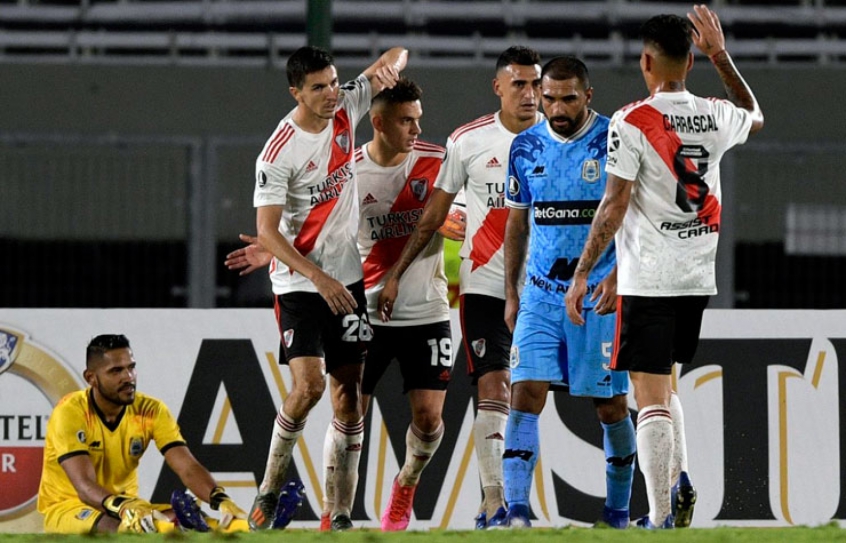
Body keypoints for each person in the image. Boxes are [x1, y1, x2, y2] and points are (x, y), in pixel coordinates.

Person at [227, 79, 457, 532]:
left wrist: (454, 222)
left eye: (418, 119)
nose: (416, 128)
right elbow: (317, 225)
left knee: (429, 422)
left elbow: (460, 218)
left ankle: (406, 482)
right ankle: (338, 515)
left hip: (426, 309)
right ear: (378, 122)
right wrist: (270, 248)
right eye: (406, 120)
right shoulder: (347, 168)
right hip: (363, 304)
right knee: (346, 403)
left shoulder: (438, 162)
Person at [565, 5, 764, 529]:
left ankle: (658, 519)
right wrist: (723, 56)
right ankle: (679, 478)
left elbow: (614, 205)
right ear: (692, 61)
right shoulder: (717, 114)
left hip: (649, 277)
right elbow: (756, 114)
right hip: (697, 276)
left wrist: (585, 271)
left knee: (647, 394)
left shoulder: (631, 121)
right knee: (666, 383)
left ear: (645, 61)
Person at [376, 45, 543, 529]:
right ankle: (496, 504)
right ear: (499, 88)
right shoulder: (468, 141)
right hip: (485, 286)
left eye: (535, 84)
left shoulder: (560, 139)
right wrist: (396, 273)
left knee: (548, 397)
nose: (530, 94)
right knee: (496, 386)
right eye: (520, 84)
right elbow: (434, 214)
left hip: (545, 290)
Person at [249, 44, 407, 532]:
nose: (330, 94)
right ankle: (269, 491)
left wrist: (389, 65)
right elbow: (269, 232)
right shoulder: (279, 150)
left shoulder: (347, 105)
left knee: (349, 397)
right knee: (310, 387)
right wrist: (318, 277)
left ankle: (338, 514)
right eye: (317, 87)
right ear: (295, 91)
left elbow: (397, 55)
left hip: (349, 282)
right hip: (299, 285)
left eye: (334, 82)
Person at [502, 56, 635, 529]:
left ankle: (616, 515)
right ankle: (516, 511)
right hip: (540, 293)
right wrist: (511, 293)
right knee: (524, 392)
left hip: (598, 295)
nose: (556, 107)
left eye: (568, 98)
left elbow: (633, 216)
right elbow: (516, 224)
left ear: (588, 96)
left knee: (610, 406)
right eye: (549, 97)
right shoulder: (524, 146)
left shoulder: (613, 142)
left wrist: (619, 276)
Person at [37, 334, 248, 534]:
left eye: (131, 367)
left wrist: (220, 499)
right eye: (116, 371)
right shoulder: (70, 412)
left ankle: (244, 526)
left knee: (194, 520)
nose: (128, 377)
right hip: (69, 507)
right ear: (91, 378)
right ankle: (162, 527)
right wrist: (124, 507)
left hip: (130, 507)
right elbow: (84, 486)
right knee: (120, 527)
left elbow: (187, 466)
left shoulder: (151, 410)